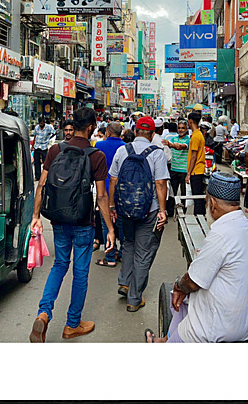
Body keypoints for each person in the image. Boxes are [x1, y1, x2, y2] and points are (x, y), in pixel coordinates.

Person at [145, 173, 248, 343]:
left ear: (212, 203)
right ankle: (166, 339)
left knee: (183, 295)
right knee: (187, 296)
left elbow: (194, 280)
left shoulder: (221, 234)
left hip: (222, 327)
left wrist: (179, 286)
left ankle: (170, 342)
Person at [29, 107, 114, 342]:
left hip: (58, 218)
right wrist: (110, 229)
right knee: (80, 272)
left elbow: (42, 185)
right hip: (83, 221)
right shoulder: (96, 156)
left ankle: (44, 313)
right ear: (90, 128)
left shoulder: (56, 149)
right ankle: (72, 325)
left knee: (59, 265)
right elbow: (102, 196)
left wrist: (36, 216)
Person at [109, 116, 169, 312]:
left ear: (135, 132)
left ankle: (124, 282)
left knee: (128, 243)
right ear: (152, 135)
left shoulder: (121, 151)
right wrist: (162, 210)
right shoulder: (157, 153)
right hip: (148, 210)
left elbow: (113, 180)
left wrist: (112, 206)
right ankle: (134, 299)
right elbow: (160, 183)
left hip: (124, 209)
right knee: (143, 253)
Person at [94, 122, 126, 268]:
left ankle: (110, 255)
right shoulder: (127, 147)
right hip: (123, 191)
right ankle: (124, 253)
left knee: (107, 224)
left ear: (108, 132)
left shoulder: (99, 146)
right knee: (121, 224)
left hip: (104, 191)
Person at [165, 120, 191, 215]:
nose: (180, 130)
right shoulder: (174, 138)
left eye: (183, 128)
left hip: (184, 170)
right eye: (179, 128)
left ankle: (183, 210)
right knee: (172, 192)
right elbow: (168, 145)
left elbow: (181, 147)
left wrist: (171, 145)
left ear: (186, 129)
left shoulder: (188, 139)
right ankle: (170, 211)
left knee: (184, 193)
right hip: (174, 168)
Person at [186, 111, 207, 215]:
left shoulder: (195, 137)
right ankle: (201, 216)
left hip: (196, 170)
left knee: (196, 196)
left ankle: (198, 217)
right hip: (199, 169)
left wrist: (188, 173)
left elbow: (193, 156)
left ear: (190, 121)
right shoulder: (199, 134)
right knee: (199, 196)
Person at [31, 117, 54, 182]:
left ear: (44, 122)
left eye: (42, 123)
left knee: (45, 161)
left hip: (44, 146)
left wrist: (49, 139)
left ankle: (47, 176)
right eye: (40, 123)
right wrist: (32, 147)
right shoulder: (36, 127)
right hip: (37, 146)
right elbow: (35, 136)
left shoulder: (49, 127)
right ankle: (37, 176)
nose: (41, 124)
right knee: (36, 162)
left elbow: (54, 132)